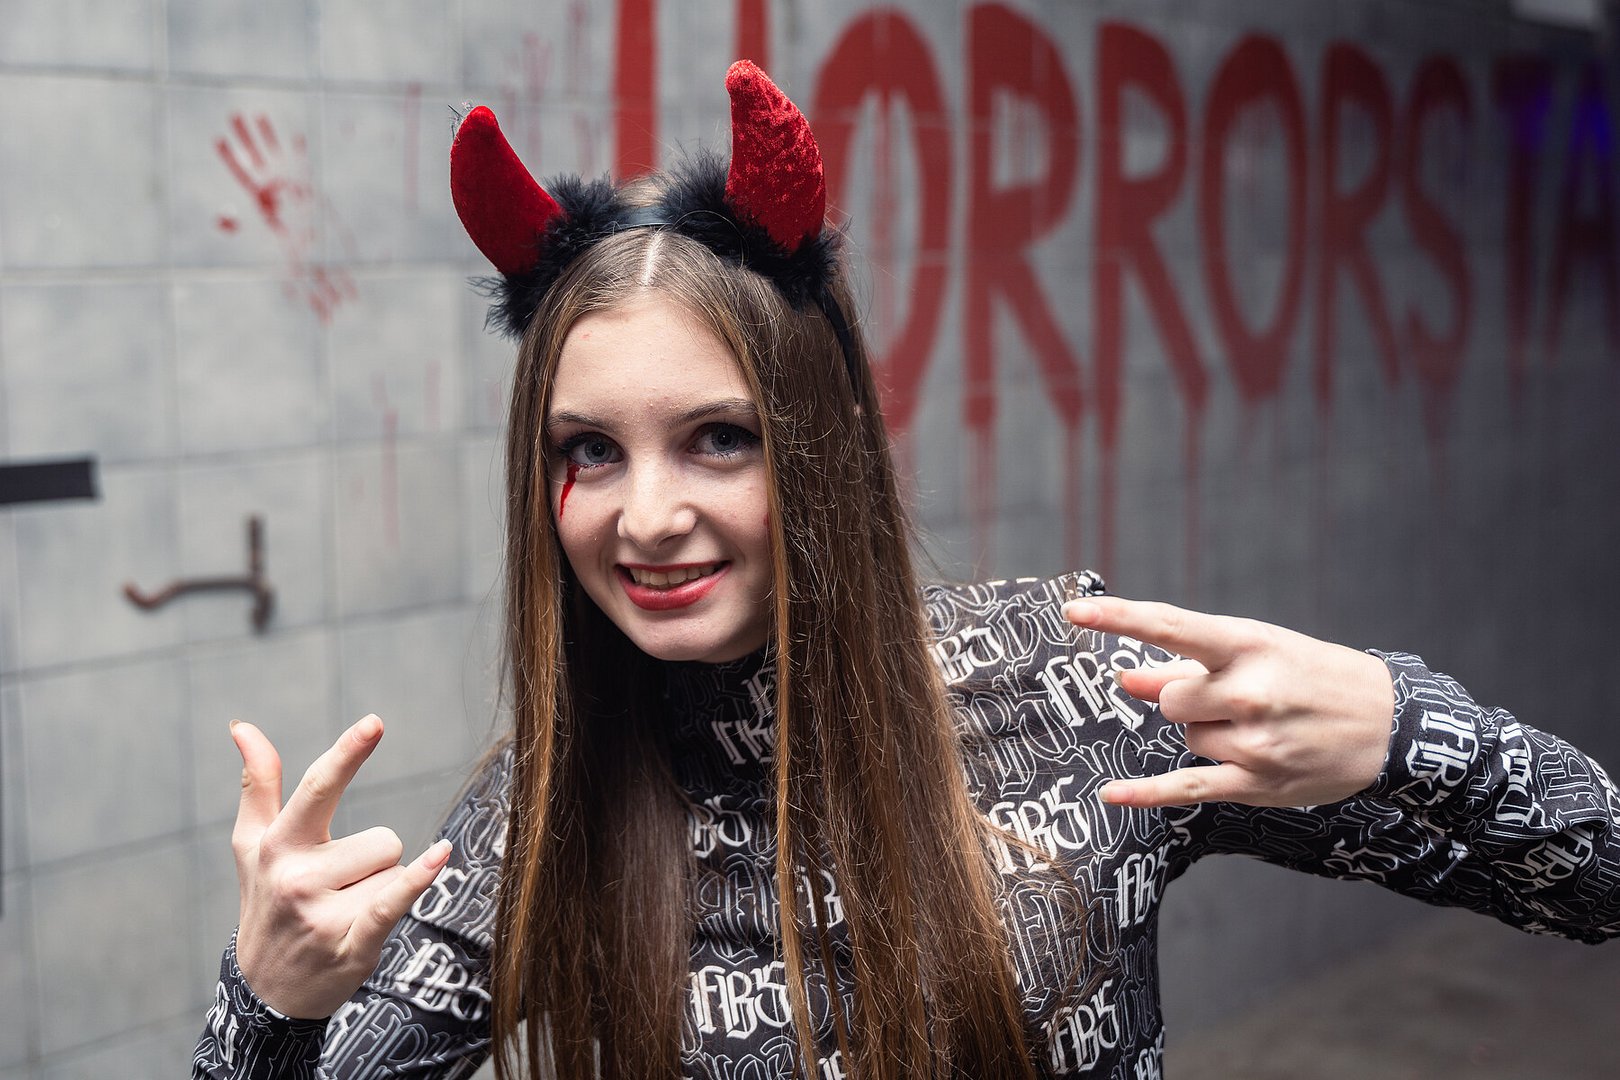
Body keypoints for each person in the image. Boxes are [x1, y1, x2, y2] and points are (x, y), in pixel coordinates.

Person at [193, 61, 1620, 1080]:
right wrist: (265, 1006)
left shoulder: (1075, 689)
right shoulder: (546, 812)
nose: (648, 516)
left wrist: (1406, 730)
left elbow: (1596, 880)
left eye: (718, 439)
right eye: (591, 453)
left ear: (817, 446)